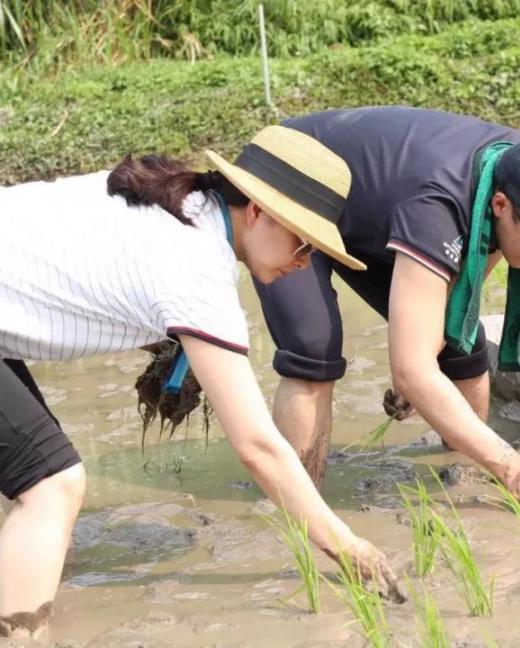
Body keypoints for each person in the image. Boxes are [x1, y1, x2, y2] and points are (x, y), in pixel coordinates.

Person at [0, 125, 403, 639]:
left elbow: (87, 276)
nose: (303, 264)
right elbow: (258, 446)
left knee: (35, 488)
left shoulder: (179, 202)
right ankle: (21, 635)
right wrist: (348, 547)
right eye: (303, 244)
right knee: (52, 485)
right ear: (256, 211)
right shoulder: (196, 268)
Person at [252, 106, 520, 515]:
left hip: (374, 205)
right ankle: (298, 509)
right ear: (500, 205)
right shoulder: (438, 205)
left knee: (462, 345)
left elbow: (461, 293)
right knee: (313, 348)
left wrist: (420, 366)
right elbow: (413, 368)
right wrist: (510, 462)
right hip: (291, 179)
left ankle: (464, 485)